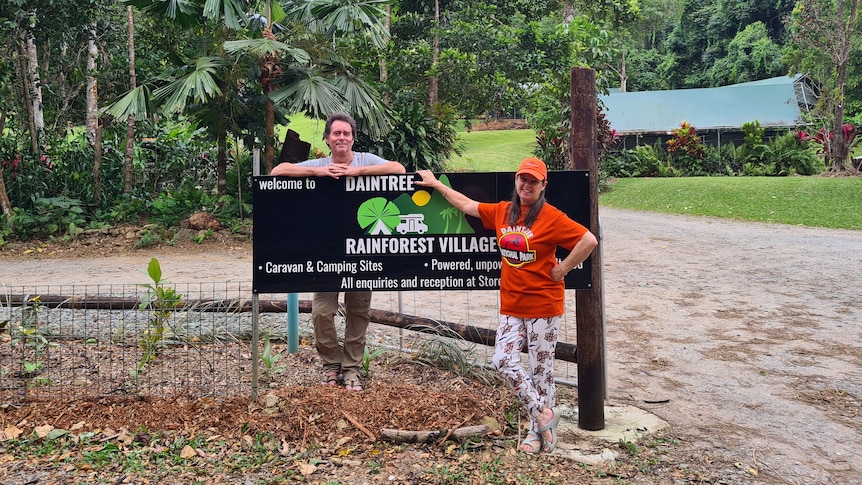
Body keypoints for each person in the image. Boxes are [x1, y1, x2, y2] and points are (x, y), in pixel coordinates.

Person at [415, 158, 598, 453]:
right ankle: (543, 414)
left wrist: (563, 270)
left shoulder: (551, 217)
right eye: (523, 179)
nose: (527, 185)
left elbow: (588, 240)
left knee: (542, 372)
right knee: (502, 360)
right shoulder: (503, 211)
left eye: (534, 181)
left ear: (543, 186)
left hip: (543, 305)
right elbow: (468, 205)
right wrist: (437, 185)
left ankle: (535, 434)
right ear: (516, 180)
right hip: (512, 305)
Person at [271, 112, 405, 391]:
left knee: (358, 311)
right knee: (321, 312)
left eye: (346, 133)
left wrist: (357, 172)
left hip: (362, 253)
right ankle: (332, 366)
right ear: (328, 138)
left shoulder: (366, 160)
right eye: (336, 133)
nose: (341, 137)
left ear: (353, 138)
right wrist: (317, 172)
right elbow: (278, 171)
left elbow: (398, 169)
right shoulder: (319, 163)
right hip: (326, 252)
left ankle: (352, 369)